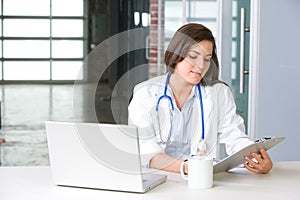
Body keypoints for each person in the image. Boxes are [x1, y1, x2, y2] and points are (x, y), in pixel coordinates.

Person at [128, 23, 272, 174]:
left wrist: (255, 159)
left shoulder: (218, 92)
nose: (201, 65)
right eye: (193, 56)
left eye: (207, 58)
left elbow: (235, 137)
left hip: (202, 181)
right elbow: (146, 151)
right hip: (159, 179)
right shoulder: (145, 93)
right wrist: (186, 167)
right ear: (176, 55)